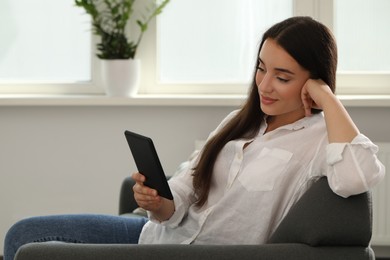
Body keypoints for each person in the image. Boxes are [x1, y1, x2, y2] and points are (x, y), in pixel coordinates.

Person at [4, 16, 385, 259]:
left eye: (283, 77)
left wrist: (328, 99)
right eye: (261, 68)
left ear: (314, 81)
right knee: (24, 232)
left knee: (33, 249)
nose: (265, 85)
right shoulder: (242, 121)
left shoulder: (321, 140)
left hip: (193, 254)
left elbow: (357, 176)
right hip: (155, 236)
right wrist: (157, 202)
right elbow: (187, 185)